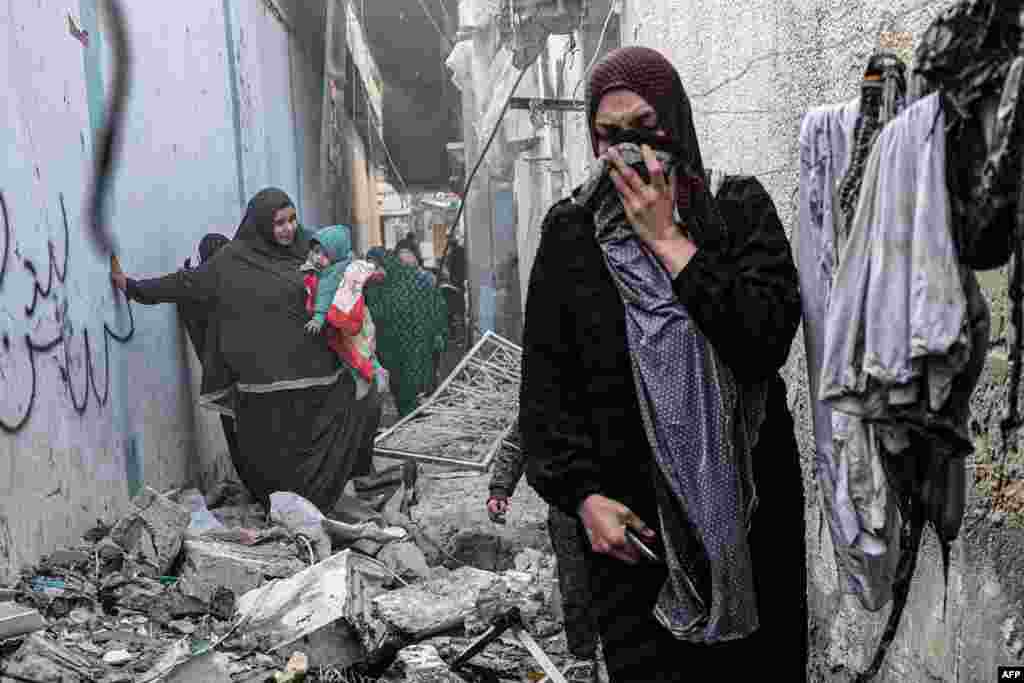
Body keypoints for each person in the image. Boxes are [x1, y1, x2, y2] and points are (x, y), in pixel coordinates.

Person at [521, 47, 807, 681]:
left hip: (751, 524)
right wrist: (584, 496)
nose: (629, 152)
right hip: (637, 544)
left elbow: (764, 340)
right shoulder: (571, 236)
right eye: (609, 136)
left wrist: (671, 243)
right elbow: (546, 395)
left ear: (676, 122)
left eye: (645, 129)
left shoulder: (736, 211)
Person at [111, 188, 382, 513]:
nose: (288, 228)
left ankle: (316, 510)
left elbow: (344, 277)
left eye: (292, 219)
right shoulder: (232, 261)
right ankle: (286, 514)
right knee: (273, 461)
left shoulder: (309, 252)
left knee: (354, 409)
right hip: (264, 391)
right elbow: (187, 284)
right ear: (261, 224)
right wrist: (133, 287)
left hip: (319, 384)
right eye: (279, 222)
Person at [487, 440, 599, 664]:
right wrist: (500, 489)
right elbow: (517, 440)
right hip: (568, 507)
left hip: (624, 503)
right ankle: (583, 660)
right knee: (575, 587)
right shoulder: (548, 405)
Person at [364, 247, 448, 418]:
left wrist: (437, 332)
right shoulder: (372, 288)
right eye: (370, 268)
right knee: (399, 387)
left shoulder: (410, 281)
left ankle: (415, 416)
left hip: (413, 343)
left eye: (378, 267)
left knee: (413, 386)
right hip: (388, 347)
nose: (375, 273)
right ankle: (408, 416)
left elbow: (433, 306)